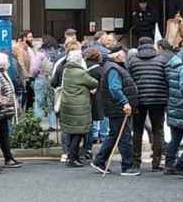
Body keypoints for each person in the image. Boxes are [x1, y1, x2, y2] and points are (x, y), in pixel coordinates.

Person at [92, 48, 140, 177]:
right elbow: (114, 88)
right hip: (117, 107)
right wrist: (125, 102)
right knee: (124, 136)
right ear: (118, 55)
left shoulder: (111, 67)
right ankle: (127, 166)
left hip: (114, 107)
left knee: (114, 134)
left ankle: (100, 161)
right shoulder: (113, 68)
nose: (124, 56)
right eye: (123, 54)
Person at [126, 36, 170, 172]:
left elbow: (128, 82)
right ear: (153, 46)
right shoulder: (162, 60)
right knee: (158, 129)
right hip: (159, 99)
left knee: (137, 130)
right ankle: (156, 162)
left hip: (139, 100)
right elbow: (167, 79)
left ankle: (136, 162)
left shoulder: (132, 61)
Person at [60, 50, 100, 167]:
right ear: (79, 60)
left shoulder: (66, 70)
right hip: (79, 107)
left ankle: (73, 157)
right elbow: (94, 83)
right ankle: (72, 159)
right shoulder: (80, 73)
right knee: (79, 133)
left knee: (73, 133)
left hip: (68, 105)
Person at [163, 38, 183, 175]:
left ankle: (169, 163)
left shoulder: (169, 66)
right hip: (182, 106)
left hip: (172, 105)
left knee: (175, 137)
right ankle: (175, 163)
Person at [0, 53, 21, 169]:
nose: (8, 62)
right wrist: (4, 102)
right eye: (6, 60)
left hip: (4, 109)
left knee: (3, 134)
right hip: (2, 109)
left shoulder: (2, 73)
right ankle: (7, 158)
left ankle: (8, 157)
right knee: (2, 134)